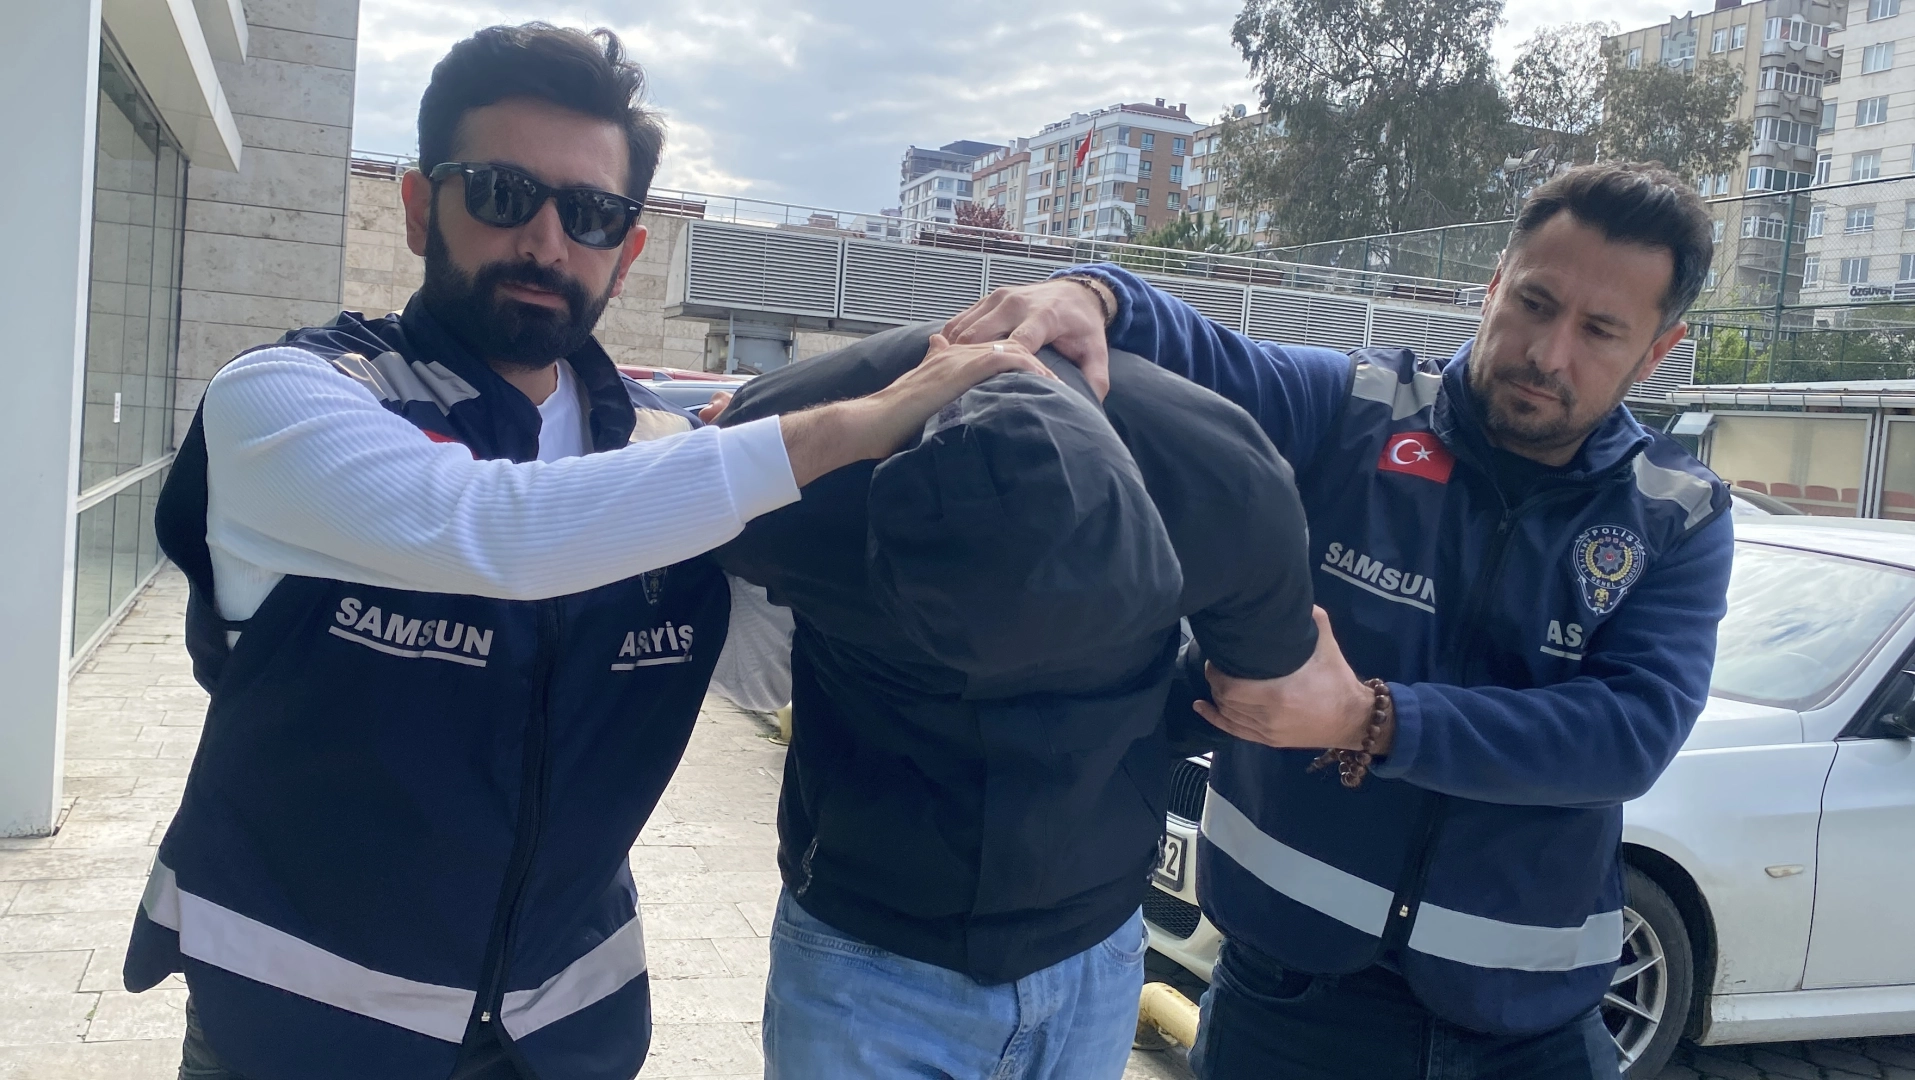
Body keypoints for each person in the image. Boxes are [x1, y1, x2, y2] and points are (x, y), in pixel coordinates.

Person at [125, 24, 1050, 1080]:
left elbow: (765, 669)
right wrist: (851, 424)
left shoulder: (668, 456)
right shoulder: (290, 401)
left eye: (591, 214)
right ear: (421, 206)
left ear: (628, 250)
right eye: (501, 194)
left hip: (566, 1029)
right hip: (299, 1028)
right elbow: (493, 529)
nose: (545, 242)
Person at [941, 162, 1735, 1080]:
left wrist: (1371, 719)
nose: (1548, 354)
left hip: (1531, 1033)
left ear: (1657, 351)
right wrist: (1092, 293)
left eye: (1598, 330)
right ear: (1492, 288)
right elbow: (1210, 357)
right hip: (1287, 1008)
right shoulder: (1355, 413)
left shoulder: (1675, 512)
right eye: (1533, 303)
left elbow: (1627, 734)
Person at [706, 322, 1320, 1078]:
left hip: (1088, 942)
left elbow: (1258, 688)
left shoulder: (1228, 487)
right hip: (863, 940)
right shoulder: (792, 457)